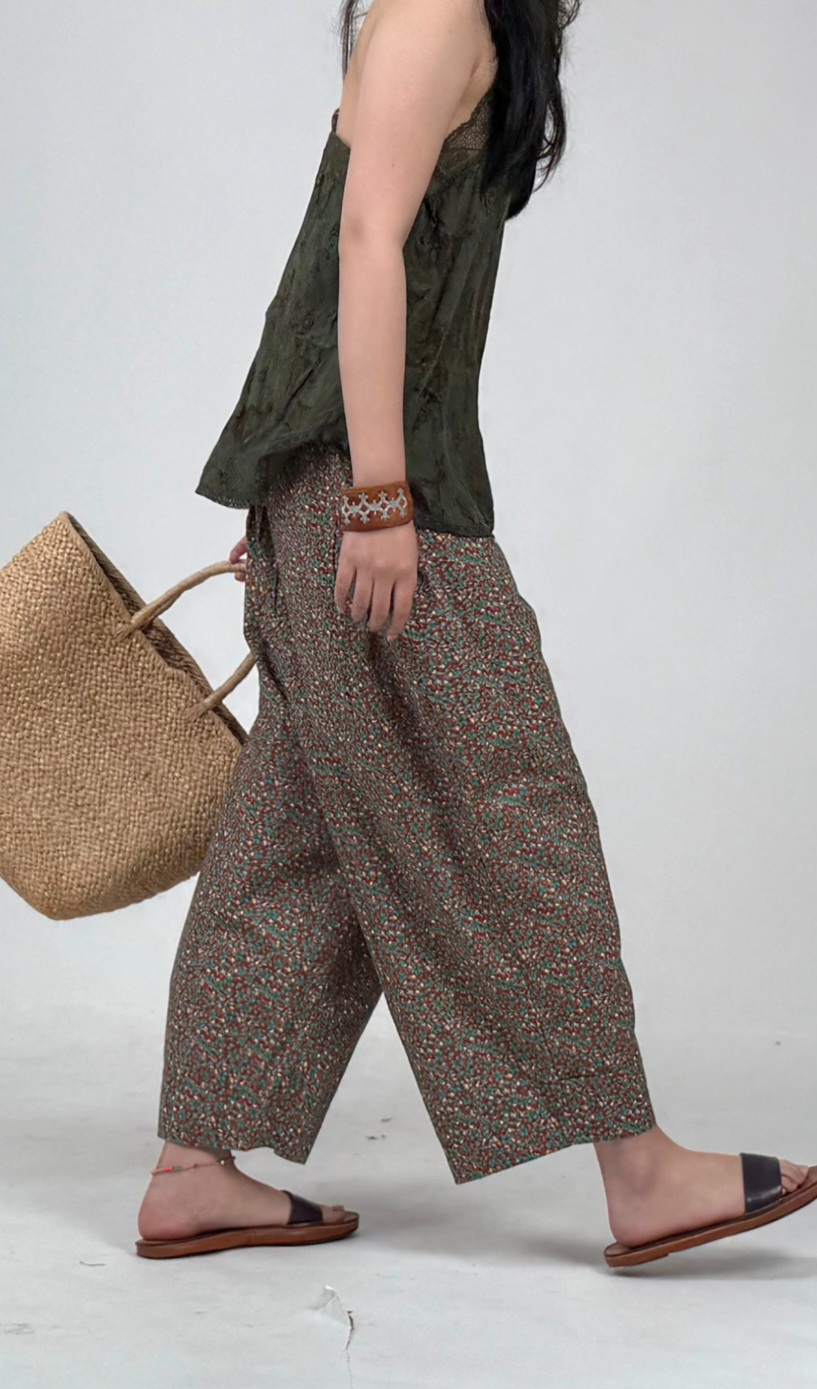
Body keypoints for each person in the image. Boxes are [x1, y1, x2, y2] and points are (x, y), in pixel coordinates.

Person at [135, 0, 816, 1268]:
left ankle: (192, 1168)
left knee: (300, 836)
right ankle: (638, 1168)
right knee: (514, 798)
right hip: (373, 482)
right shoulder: (439, 9)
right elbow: (364, 238)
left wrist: (296, 500)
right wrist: (368, 498)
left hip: (337, 473)